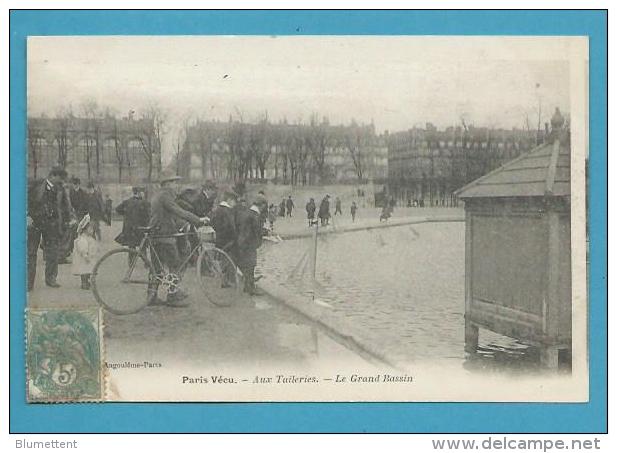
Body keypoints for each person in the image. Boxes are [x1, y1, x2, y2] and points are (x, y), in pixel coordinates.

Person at [148, 170, 208, 307]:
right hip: (165, 236)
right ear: (167, 183)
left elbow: (168, 215)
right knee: (176, 265)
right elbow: (178, 211)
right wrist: (198, 220)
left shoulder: (157, 195)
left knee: (156, 268)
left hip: (155, 234)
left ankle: (151, 296)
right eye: (174, 182)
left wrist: (182, 224)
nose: (176, 185)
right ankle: (172, 295)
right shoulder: (166, 196)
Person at [27, 166, 74, 290]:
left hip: (52, 225)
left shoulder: (60, 189)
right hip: (35, 224)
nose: (61, 182)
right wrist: (27, 215)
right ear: (53, 176)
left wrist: (67, 220)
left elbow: (65, 207)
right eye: (60, 179)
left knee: (52, 252)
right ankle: (28, 282)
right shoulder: (36, 185)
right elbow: (23, 200)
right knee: (31, 253)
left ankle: (51, 278)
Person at [115, 187, 151, 265]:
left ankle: (131, 263)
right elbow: (148, 216)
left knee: (131, 246)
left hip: (129, 229)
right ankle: (146, 263)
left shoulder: (127, 202)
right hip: (141, 228)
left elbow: (117, 209)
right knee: (143, 246)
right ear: (139, 193)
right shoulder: (145, 203)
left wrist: (125, 214)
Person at [235, 201, 264, 296]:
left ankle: (247, 287)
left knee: (247, 265)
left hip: (242, 242)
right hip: (249, 243)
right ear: (262, 205)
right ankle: (251, 288)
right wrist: (263, 235)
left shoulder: (246, 212)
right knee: (251, 265)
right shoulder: (255, 215)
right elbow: (257, 230)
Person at [72, 214, 100, 290]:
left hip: (89, 258)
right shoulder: (83, 239)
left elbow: (94, 246)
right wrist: (85, 255)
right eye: (90, 229)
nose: (92, 231)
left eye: (93, 229)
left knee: (88, 271)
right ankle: (84, 283)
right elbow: (82, 248)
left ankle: (87, 281)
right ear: (85, 229)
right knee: (84, 271)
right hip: (84, 259)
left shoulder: (90, 238)